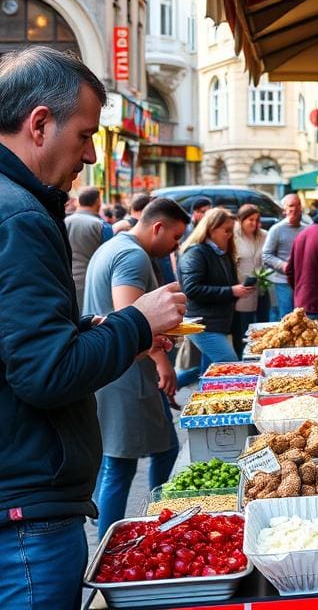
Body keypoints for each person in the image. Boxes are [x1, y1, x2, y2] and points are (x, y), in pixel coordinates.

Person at [0, 46, 185, 609]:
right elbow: (44, 372)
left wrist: (94, 328)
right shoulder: (21, 215)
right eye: (84, 135)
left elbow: (22, 341)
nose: (90, 155)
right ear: (39, 124)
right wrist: (135, 322)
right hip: (27, 509)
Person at [85, 198, 189, 540]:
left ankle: (158, 522)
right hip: (125, 374)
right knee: (120, 462)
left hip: (116, 369)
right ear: (157, 227)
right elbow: (130, 316)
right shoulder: (132, 255)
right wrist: (163, 362)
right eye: (174, 237)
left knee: (160, 448)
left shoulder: (114, 245)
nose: (175, 247)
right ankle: (109, 545)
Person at [178, 207, 255, 372]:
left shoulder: (223, 253)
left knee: (209, 371)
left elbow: (226, 286)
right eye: (226, 230)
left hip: (216, 322)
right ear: (211, 229)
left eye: (231, 231)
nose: (229, 235)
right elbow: (191, 289)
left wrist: (238, 291)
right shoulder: (196, 253)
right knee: (230, 365)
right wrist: (231, 291)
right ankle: (169, 385)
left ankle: (172, 386)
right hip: (202, 323)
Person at [65, 185, 113, 308]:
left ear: (79, 201)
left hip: (64, 282)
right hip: (92, 285)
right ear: (98, 201)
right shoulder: (102, 226)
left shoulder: (63, 222)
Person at [262, 193, 309, 320]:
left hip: (303, 281)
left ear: (301, 208)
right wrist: (284, 265)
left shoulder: (308, 229)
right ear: (284, 210)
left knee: (303, 316)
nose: (294, 209)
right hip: (283, 281)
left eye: (297, 205)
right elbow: (266, 255)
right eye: (290, 206)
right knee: (287, 317)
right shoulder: (276, 229)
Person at [234, 203, 269, 343]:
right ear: (241, 220)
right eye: (250, 220)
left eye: (256, 220)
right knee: (245, 328)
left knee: (263, 327)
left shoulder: (264, 235)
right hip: (243, 287)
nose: (254, 223)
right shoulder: (233, 237)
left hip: (262, 288)